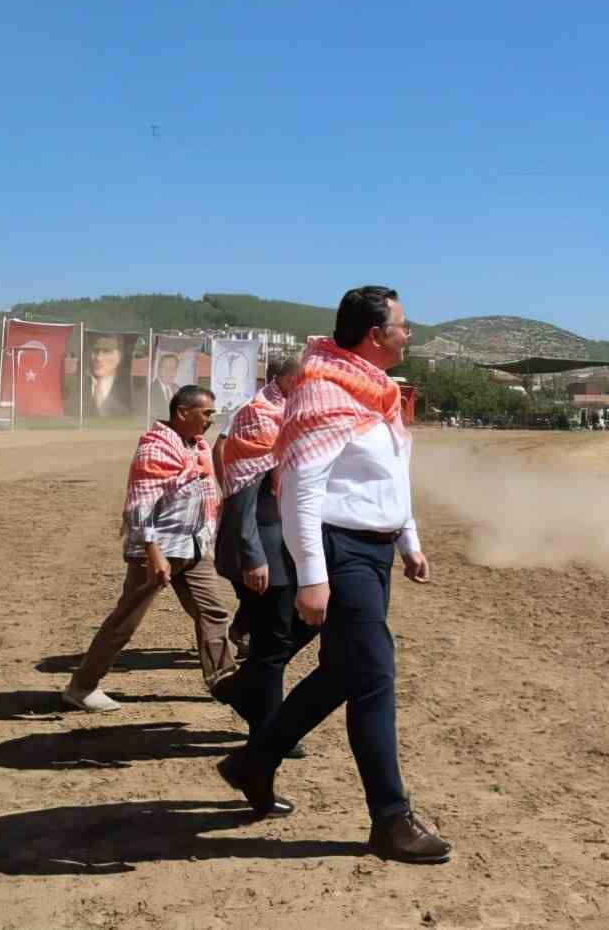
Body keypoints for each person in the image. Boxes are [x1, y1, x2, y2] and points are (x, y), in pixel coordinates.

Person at [217, 286, 449, 863]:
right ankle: (390, 818)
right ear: (375, 334)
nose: (409, 332)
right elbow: (302, 488)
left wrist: (408, 539)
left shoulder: (379, 392)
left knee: (344, 671)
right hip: (336, 549)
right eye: (403, 324)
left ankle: (253, 760)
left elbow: (390, 475)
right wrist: (314, 577)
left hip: (372, 550)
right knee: (374, 675)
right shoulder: (322, 390)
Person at [62, 385, 240, 711]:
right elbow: (140, 505)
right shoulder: (155, 448)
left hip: (193, 548)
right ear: (182, 412)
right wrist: (153, 553)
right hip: (160, 550)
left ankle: (225, 682)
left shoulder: (196, 446)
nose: (210, 421)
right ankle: (82, 686)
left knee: (213, 612)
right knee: (126, 621)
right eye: (206, 414)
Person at [215, 354, 315, 750]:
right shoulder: (261, 414)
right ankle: (269, 732)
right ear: (290, 379)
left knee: (304, 624)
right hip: (261, 544)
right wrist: (252, 553)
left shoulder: (292, 413)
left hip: (284, 544)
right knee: (273, 639)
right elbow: (243, 492)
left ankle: (242, 687)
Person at [86, 334, 132, 418]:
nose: (98, 358)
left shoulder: (132, 392)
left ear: (119, 356)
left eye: (106, 351)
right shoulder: (76, 388)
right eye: (95, 351)